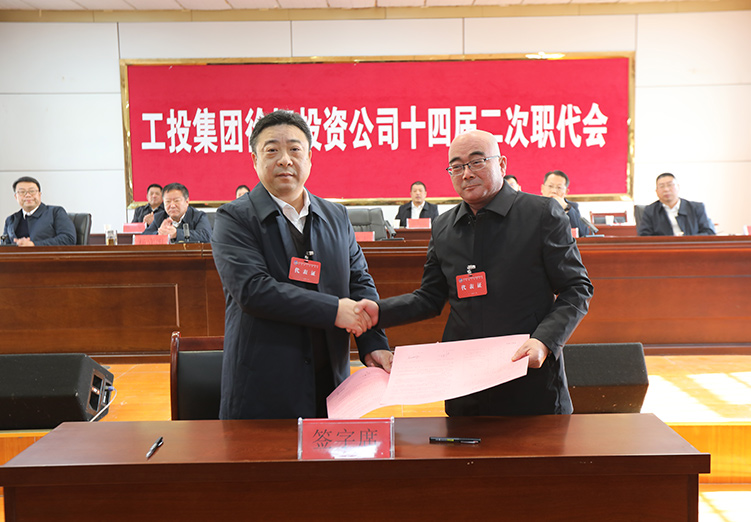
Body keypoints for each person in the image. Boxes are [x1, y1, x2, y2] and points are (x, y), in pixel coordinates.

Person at [357, 130, 593, 416]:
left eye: (477, 162)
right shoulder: (444, 227)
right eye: (456, 166)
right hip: (463, 383)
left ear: (501, 165)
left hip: (528, 374)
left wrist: (544, 340)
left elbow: (577, 288)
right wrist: (379, 312)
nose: (466, 173)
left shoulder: (542, 213)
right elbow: (430, 298)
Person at [211, 110, 393, 420]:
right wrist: (335, 310)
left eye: (295, 149)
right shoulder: (234, 218)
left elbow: (359, 281)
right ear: (254, 159)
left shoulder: (336, 216)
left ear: (309, 157)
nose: (285, 159)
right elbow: (253, 290)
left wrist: (372, 342)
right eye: (272, 150)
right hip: (263, 385)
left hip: (331, 383)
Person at [2, 176, 76, 247]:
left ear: (39, 194)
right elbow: (4, 246)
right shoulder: (11, 219)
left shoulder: (55, 212)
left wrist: (34, 245)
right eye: (22, 192)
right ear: (16, 197)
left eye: (32, 191)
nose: (27, 195)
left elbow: (69, 238)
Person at [637, 173, 715, 236]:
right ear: (656, 191)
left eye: (670, 185)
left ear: (678, 187)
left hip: (693, 248)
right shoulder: (650, 211)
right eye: (662, 186)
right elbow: (644, 236)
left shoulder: (696, 208)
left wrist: (687, 240)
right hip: (664, 249)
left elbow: (709, 232)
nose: (666, 189)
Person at [142, 182, 212, 243]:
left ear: (187, 202)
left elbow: (206, 236)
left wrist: (176, 234)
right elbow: (143, 238)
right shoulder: (159, 217)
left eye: (176, 201)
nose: (172, 205)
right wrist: (159, 234)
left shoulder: (199, 216)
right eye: (168, 201)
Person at [541, 170, 592, 237]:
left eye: (559, 187)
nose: (554, 191)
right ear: (542, 188)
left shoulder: (572, 207)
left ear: (566, 192)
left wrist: (566, 208)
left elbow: (583, 233)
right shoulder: (533, 205)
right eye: (550, 186)